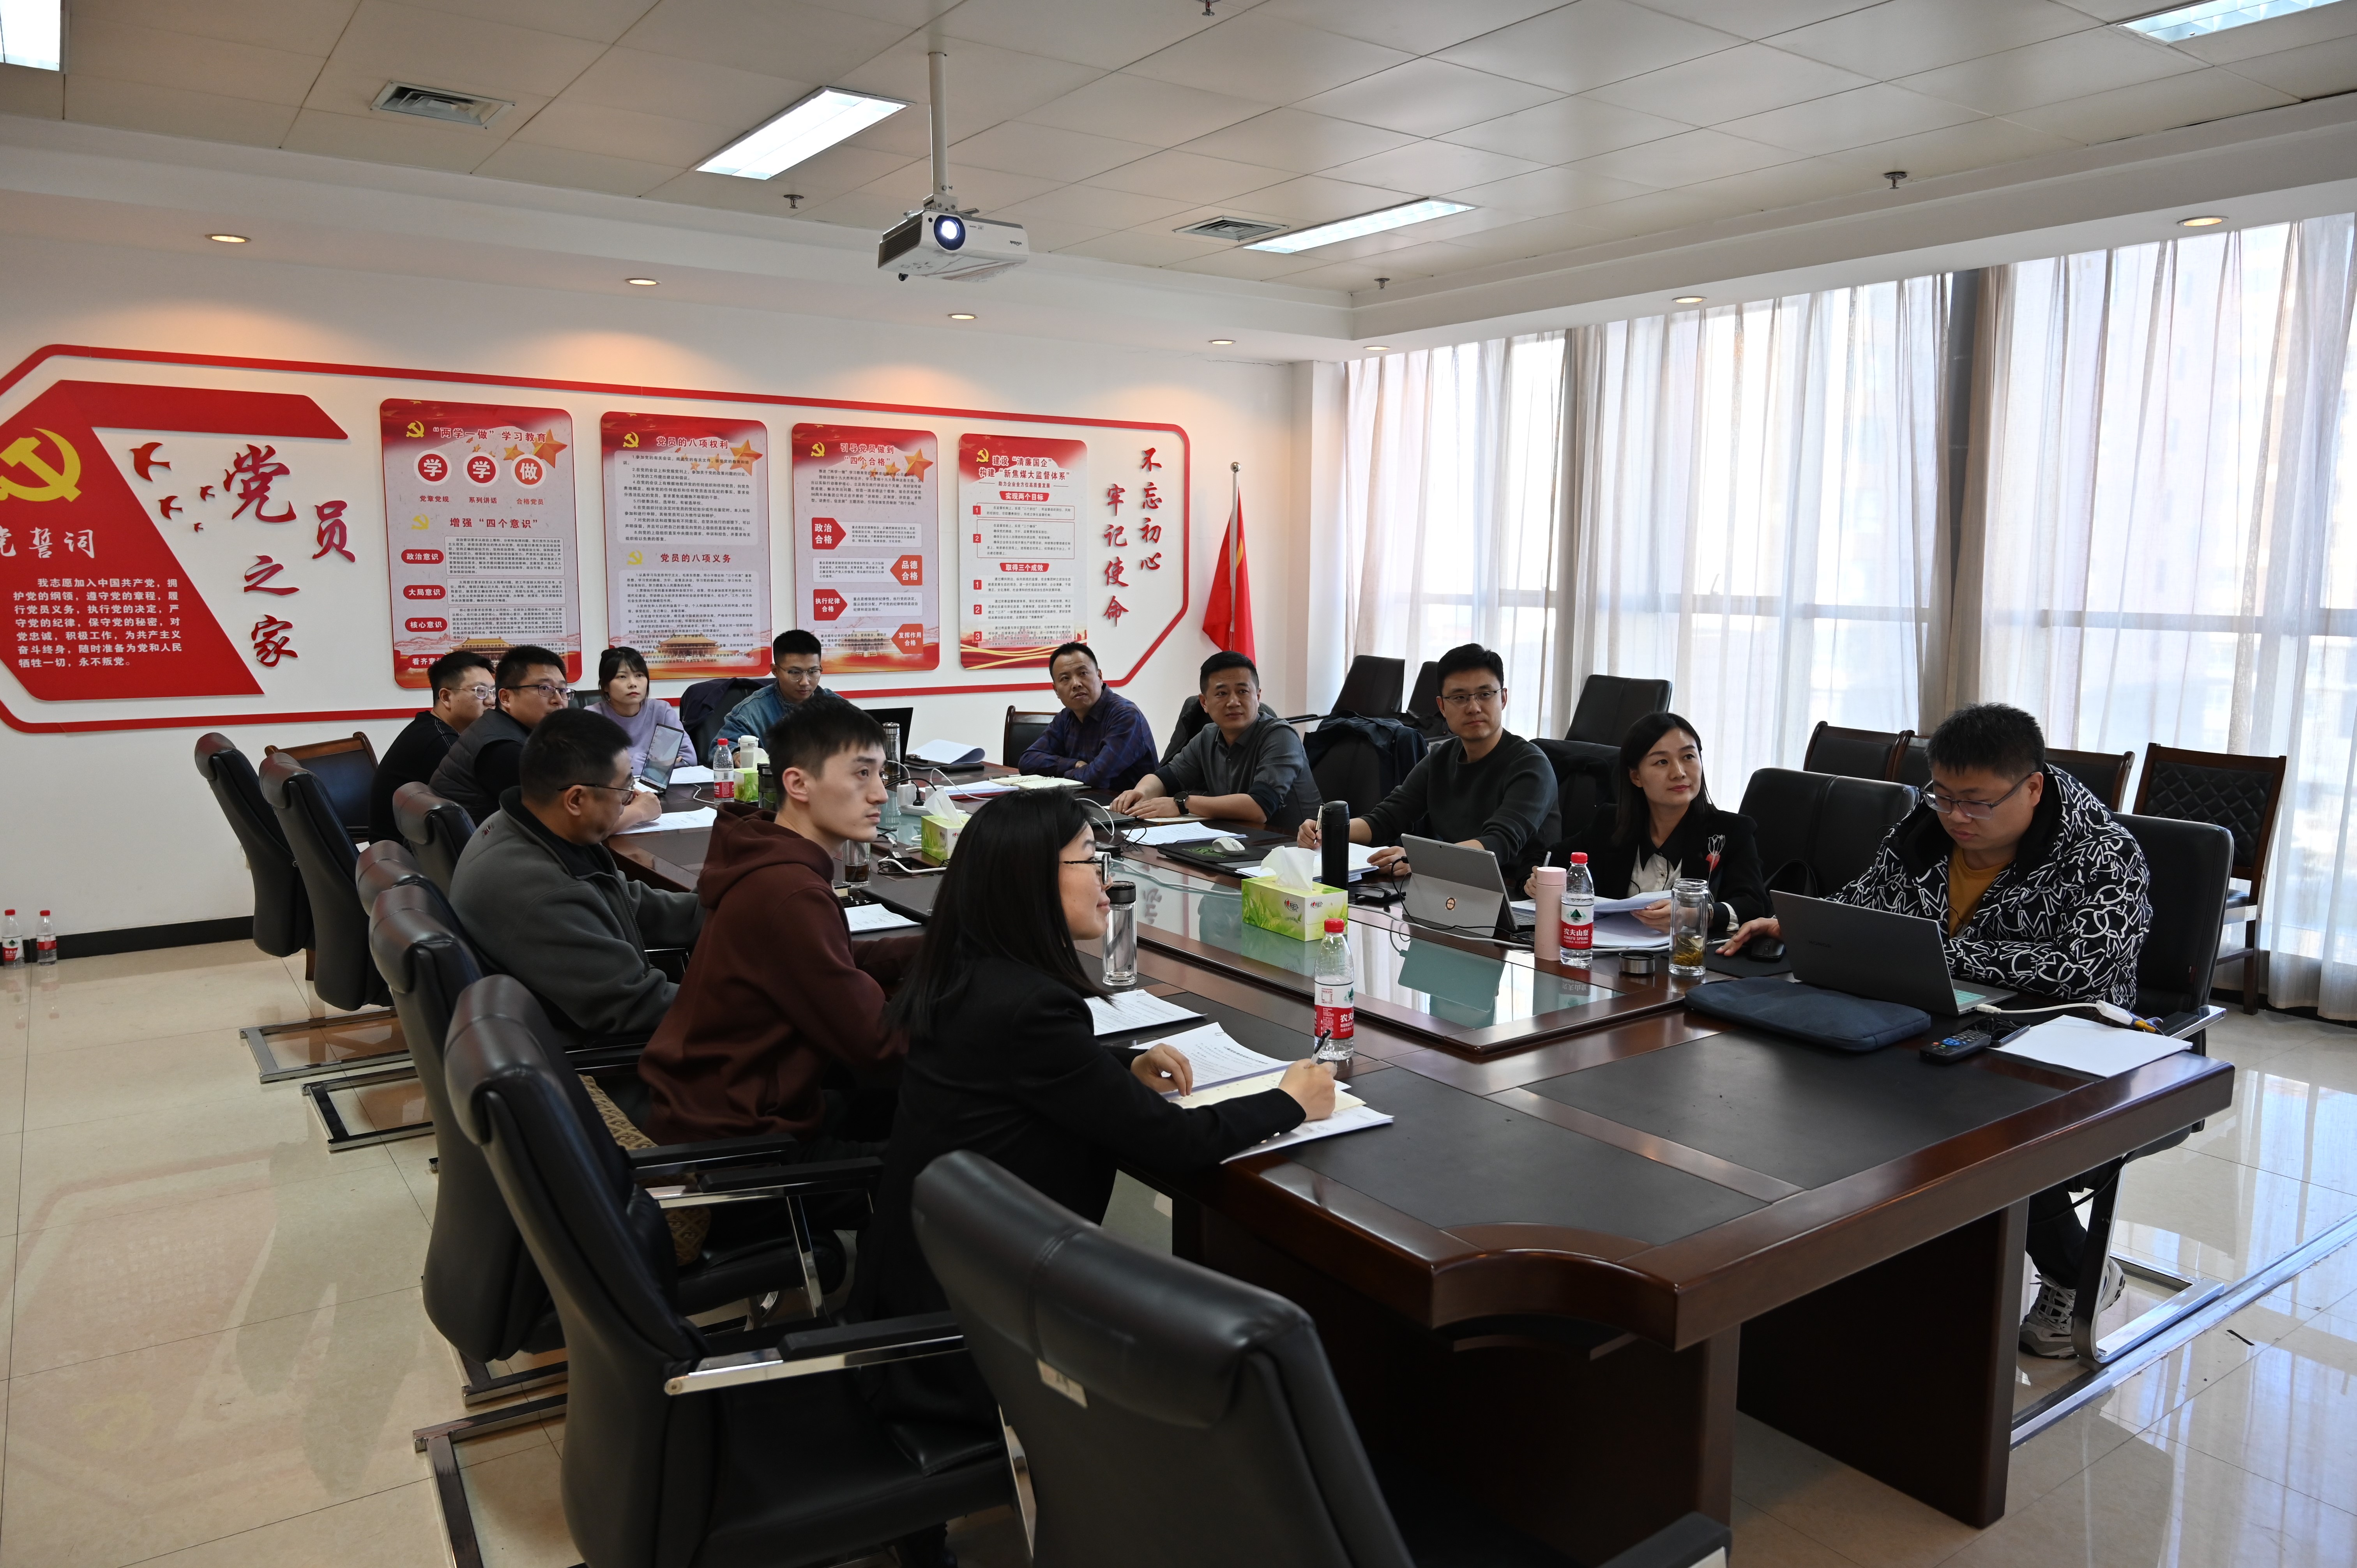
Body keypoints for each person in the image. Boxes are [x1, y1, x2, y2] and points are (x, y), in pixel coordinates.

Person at [852, 787, 1335, 1438]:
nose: (1107, 880)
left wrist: (1117, 1065)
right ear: (1030, 879)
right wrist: (1289, 1100)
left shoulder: (965, 970)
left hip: (925, 1294)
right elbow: (1176, 1143)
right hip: (982, 1343)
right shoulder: (1034, 1007)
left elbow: (1016, 1071)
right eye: (1089, 859)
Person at [1720, 703, 2153, 1356]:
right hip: (1932, 1012)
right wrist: (1808, 924)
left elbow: (2079, 969)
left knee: (1987, 1124)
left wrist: (1937, 953)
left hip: (2056, 1036)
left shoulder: (2105, 855)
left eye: (1976, 802)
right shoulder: (1924, 829)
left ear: (2032, 787)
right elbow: (1866, 900)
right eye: (1943, 796)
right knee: (1817, 1081)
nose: (1956, 817)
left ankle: (2077, 1269)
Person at [637, 701, 916, 1151]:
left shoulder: (767, 858)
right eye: (862, 774)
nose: (881, 794)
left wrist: (933, 948)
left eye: (881, 775)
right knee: (948, 1148)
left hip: (719, 1106)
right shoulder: (791, 893)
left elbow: (828, 960)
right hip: (744, 1143)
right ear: (798, 783)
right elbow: (879, 1044)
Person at [449, 708, 703, 1046]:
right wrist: (751, 1001)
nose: (630, 798)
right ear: (576, 799)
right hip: (598, 1052)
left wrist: (720, 907)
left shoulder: (523, 827)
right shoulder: (543, 891)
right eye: (625, 787)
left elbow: (625, 902)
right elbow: (634, 1004)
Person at [1296, 643, 1560, 888]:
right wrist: (1328, 830)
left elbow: (1496, 845)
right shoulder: (1441, 757)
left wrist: (1421, 860)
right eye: (1459, 698)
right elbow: (1386, 820)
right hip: (1452, 889)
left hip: (1518, 895)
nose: (1473, 707)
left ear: (1503, 698)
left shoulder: (1530, 765)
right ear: (1442, 707)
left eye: (1485, 694)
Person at [1529, 711, 1767, 937]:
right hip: (1612, 955)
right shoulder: (1610, 823)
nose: (1679, 773)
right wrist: (1536, 881)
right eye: (1662, 762)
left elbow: (1754, 905)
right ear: (1636, 777)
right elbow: (1548, 859)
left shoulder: (1731, 831)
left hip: (1689, 958)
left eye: (1688, 757)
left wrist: (1698, 914)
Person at [1112, 652, 1322, 830]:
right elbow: (1165, 779)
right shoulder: (1208, 735)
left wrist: (1182, 804)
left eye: (1243, 691)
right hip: (1240, 843)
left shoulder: (1281, 735)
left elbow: (1259, 808)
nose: (1233, 702)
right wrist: (1140, 793)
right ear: (1204, 702)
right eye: (1222, 693)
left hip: (1295, 850)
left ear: (1258, 697)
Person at [368, 649, 492, 842]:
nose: (492, 701)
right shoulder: (440, 742)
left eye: (493, 691)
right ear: (446, 697)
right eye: (481, 691)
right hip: (405, 850)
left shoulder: (431, 727)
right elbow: (477, 806)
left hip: (413, 843)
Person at [1019, 640, 1157, 793]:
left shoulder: (1126, 716)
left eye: (1083, 673)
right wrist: (1074, 764)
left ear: (1100, 676)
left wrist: (1063, 774)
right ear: (1056, 690)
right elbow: (1027, 761)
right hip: (1084, 802)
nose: (1076, 684)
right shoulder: (1066, 718)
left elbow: (1097, 776)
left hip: (1126, 806)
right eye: (1065, 678)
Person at [716, 629, 826, 759]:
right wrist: (737, 754)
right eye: (795, 673)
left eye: (813, 672)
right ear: (775, 671)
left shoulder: (835, 707)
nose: (805, 682)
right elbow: (721, 748)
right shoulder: (751, 712)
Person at [587, 646, 694, 780]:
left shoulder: (662, 711)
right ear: (605, 686)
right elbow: (592, 767)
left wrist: (633, 764)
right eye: (622, 677)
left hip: (659, 788)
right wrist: (656, 763)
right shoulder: (593, 717)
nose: (633, 684)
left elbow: (688, 758)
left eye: (639, 676)